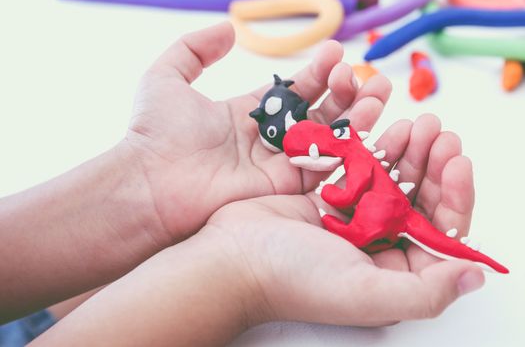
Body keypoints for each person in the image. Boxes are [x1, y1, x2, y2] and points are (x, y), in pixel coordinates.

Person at [0, 22, 483, 346]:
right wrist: (237, 273)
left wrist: (141, 189)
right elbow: (340, 177)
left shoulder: (343, 150)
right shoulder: (334, 152)